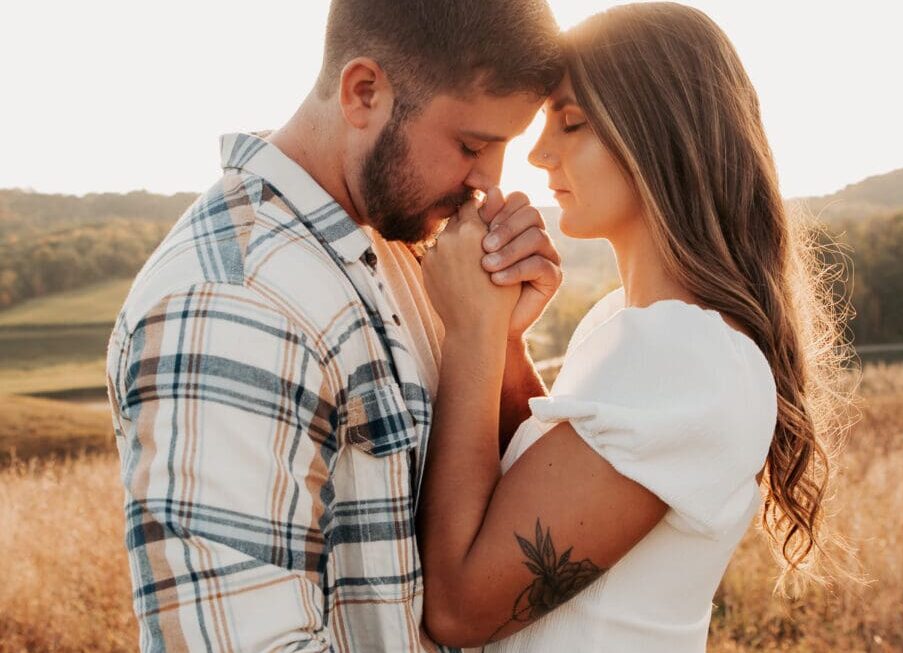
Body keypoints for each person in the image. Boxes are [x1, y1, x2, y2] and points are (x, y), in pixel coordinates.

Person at [105, 1, 566, 651]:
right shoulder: (234, 304)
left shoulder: (404, 244)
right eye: (471, 145)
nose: (488, 184)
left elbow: (507, 521)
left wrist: (498, 337)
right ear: (363, 92)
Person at [417, 3, 850, 651]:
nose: (536, 152)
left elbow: (459, 607)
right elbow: (532, 488)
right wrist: (505, 341)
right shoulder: (627, 324)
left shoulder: (687, 354)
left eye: (571, 122)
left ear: (659, 136)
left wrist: (472, 334)